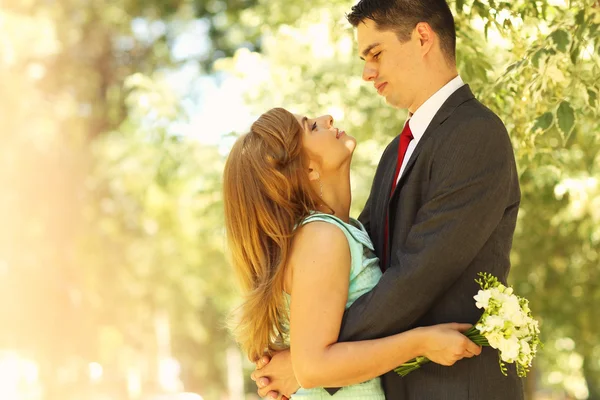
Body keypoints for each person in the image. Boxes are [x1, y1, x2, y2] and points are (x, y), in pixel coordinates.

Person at [251, 0, 525, 399]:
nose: (367, 73)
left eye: (375, 54)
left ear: (422, 37)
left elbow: (418, 275)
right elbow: (362, 270)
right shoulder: (394, 152)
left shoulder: (475, 134)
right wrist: (309, 354)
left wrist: (308, 360)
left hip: (457, 387)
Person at [223, 107, 482, 399]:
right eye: (312, 128)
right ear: (308, 169)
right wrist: (421, 343)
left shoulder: (340, 231)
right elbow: (313, 368)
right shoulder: (321, 237)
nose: (327, 119)